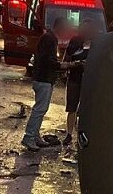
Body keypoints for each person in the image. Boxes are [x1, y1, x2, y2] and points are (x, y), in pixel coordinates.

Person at [22, 16, 76, 152]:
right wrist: (63, 65)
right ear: (60, 27)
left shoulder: (48, 37)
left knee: (41, 109)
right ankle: (29, 137)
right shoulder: (50, 39)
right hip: (44, 79)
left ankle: (35, 136)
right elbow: (48, 60)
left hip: (41, 78)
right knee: (39, 109)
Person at [62, 18, 97, 146]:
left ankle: (81, 135)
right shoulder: (75, 41)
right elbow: (66, 61)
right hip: (74, 79)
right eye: (84, 28)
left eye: (89, 29)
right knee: (72, 107)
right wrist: (75, 64)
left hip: (89, 80)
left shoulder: (96, 43)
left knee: (85, 109)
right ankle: (69, 134)